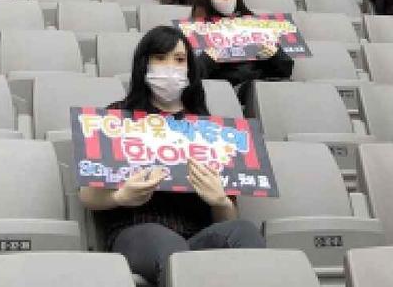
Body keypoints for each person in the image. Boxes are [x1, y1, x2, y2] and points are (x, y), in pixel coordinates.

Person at [79, 25, 266, 286]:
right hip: (138, 233)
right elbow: (87, 195)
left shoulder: (209, 130)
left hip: (198, 236)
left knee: (244, 231)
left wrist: (221, 202)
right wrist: (120, 197)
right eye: (160, 58)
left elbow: (227, 218)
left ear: (189, 68)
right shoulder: (117, 117)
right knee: (169, 246)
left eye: (179, 59)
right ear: (144, 64)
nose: (170, 67)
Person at [190, 0, 293, 107]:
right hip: (225, 95)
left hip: (267, 89)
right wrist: (210, 57)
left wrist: (274, 53)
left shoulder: (253, 23)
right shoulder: (195, 30)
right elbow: (192, 77)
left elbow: (285, 70)